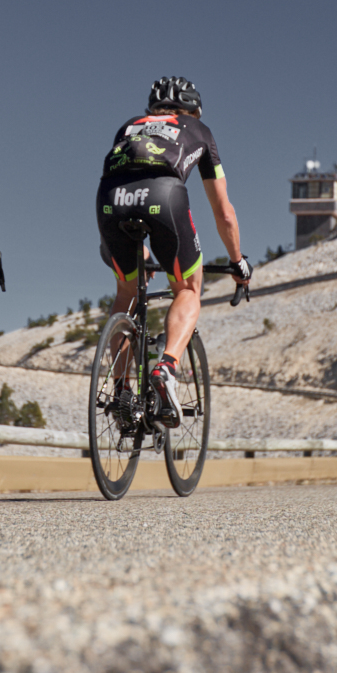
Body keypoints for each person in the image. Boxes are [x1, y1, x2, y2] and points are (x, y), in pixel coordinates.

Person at [95, 76, 249, 425]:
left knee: (126, 293)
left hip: (109, 200)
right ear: (193, 110)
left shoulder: (129, 126)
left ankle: (122, 394)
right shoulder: (200, 130)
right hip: (164, 196)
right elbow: (223, 211)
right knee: (188, 288)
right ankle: (166, 368)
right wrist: (237, 262)